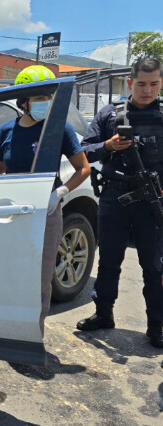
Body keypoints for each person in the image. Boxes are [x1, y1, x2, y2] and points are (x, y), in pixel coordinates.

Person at [0, 65, 91, 335]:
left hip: (47, 213)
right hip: (12, 212)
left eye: (47, 97)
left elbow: (82, 168)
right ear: (23, 102)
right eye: (38, 98)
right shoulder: (6, 131)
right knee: (10, 272)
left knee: (40, 278)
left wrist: (61, 192)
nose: (45, 103)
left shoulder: (60, 130)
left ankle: (31, 334)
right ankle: (6, 329)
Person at [76, 58, 163, 348]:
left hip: (153, 199)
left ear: (161, 82)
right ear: (130, 82)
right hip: (115, 196)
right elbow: (83, 152)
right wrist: (109, 146)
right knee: (109, 259)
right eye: (141, 84)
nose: (147, 90)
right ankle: (103, 314)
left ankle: (157, 325)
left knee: (154, 264)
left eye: (154, 84)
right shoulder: (110, 114)